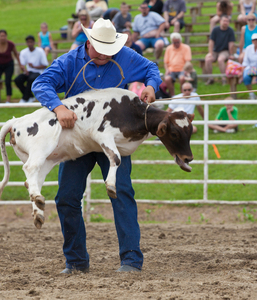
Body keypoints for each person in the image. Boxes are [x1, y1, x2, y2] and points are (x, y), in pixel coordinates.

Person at [31, 18, 161, 274]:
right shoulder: (69, 62)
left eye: (109, 49)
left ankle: (131, 261)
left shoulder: (123, 56)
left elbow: (151, 69)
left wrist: (151, 86)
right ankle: (76, 262)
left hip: (112, 136)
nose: (105, 54)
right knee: (66, 197)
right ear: (88, 42)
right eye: (100, 47)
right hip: (77, 138)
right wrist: (58, 107)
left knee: (122, 191)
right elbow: (41, 83)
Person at [0, 29, 22, 104]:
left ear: (6, 36)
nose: (2, 37)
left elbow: (16, 54)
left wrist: (20, 65)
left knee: (8, 81)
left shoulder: (11, 44)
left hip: (9, 64)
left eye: (4, 36)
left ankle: (8, 100)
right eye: (1, 36)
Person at [15, 35, 48, 104]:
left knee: (31, 79)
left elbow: (45, 65)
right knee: (17, 80)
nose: (29, 44)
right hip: (28, 72)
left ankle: (25, 98)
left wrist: (34, 67)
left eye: (31, 42)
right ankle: (30, 96)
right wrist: (24, 69)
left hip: (38, 72)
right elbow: (22, 65)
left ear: (34, 42)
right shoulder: (24, 52)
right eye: (28, 42)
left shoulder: (40, 51)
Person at [204, 15, 236, 85]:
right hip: (215, 50)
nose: (225, 22)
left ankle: (224, 78)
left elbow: (231, 44)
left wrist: (230, 54)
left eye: (227, 21)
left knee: (220, 59)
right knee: (208, 59)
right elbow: (211, 42)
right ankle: (210, 78)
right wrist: (210, 53)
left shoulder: (230, 30)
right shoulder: (215, 30)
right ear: (220, 21)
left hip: (225, 50)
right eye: (224, 21)